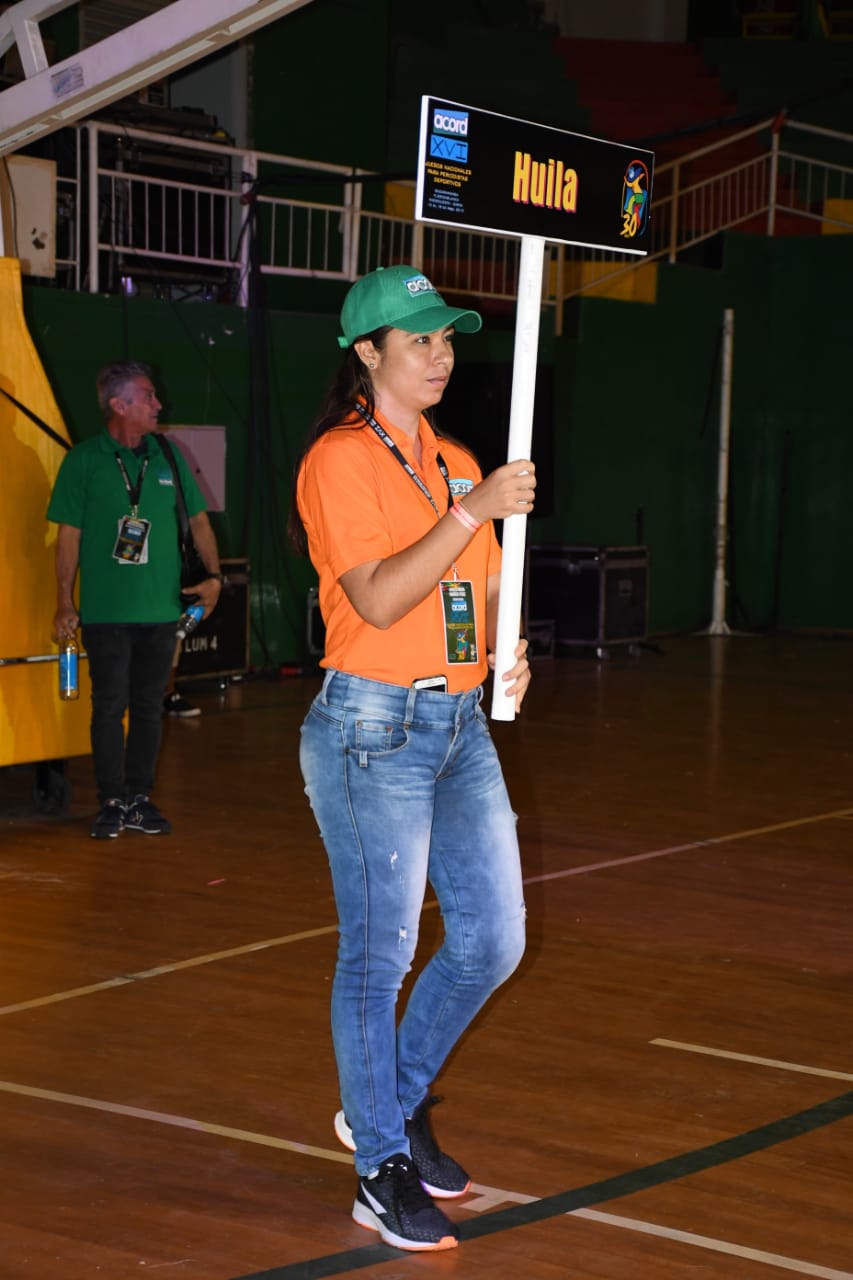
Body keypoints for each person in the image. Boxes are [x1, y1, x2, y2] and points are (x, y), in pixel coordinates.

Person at [290, 265, 536, 1252]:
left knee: (493, 937)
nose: (438, 354)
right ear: (367, 353)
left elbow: (456, 600)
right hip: (369, 731)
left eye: (445, 338)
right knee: (379, 950)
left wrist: (497, 657)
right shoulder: (340, 461)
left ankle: (382, 1101)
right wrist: (473, 512)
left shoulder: (457, 460)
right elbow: (382, 599)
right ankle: (379, 1164)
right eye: (418, 338)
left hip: (458, 723)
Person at [48, 360, 222, 838]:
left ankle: (140, 798)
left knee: (149, 706)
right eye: (147, 396)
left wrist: (215, 580)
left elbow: (200, 523)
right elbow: (68, 536)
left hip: (162, 610)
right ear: (118, 404)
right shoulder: (83, 460)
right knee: (108, 705)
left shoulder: (169, 456)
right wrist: (65, 600)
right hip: (105, 613)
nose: (158, 404)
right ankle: (110, 800)